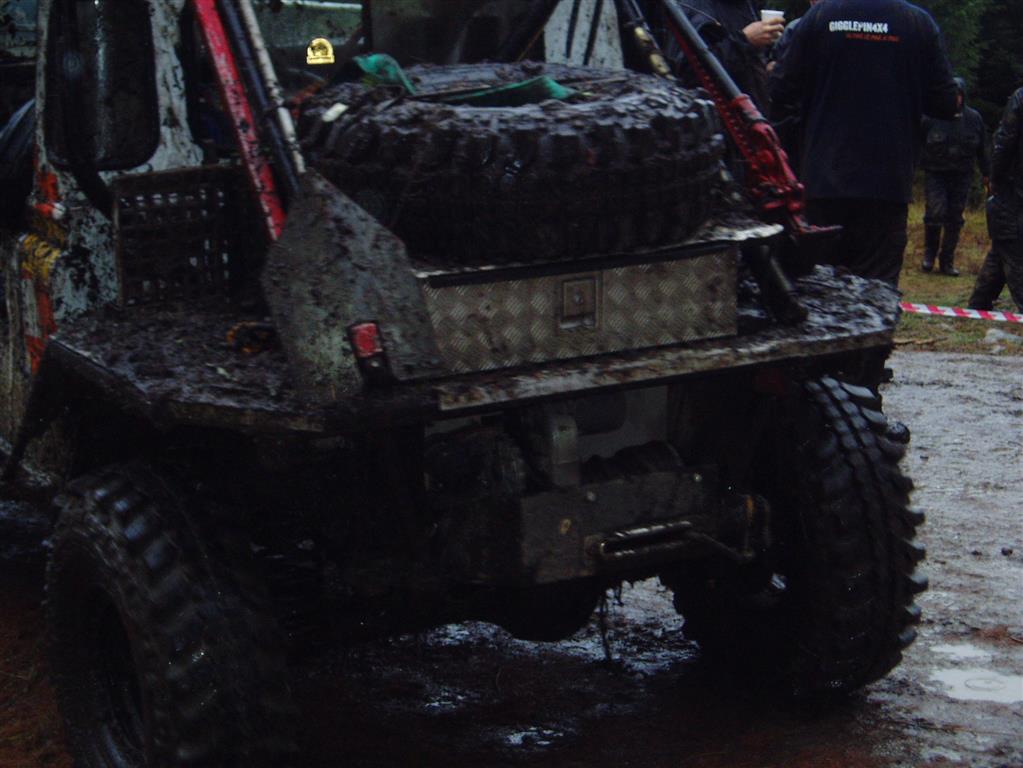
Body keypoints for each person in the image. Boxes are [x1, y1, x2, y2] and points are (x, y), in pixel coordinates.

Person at [770, 0, 958, 287]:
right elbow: (945, 103)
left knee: (819, 289)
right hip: (887, 184)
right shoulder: (917, 23)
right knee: (877, 291)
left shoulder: (821, 16)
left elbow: (781, 89)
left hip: (824, 181)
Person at [919, 78, 991, 276]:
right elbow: (917, 143)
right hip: (936, 173)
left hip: (962, 175)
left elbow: (982, 149)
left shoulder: (974, 119)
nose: (955, 99)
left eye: (958, 95)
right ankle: (929, 255)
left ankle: (947, 261)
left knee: (955, 218)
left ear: (963, 96)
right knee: (935, 213)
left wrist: (987, 174)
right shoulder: (931, 117)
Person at [664, 0, 785, 112]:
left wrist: (769, 66)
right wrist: (744, 41)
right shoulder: (693, 8)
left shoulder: (745, 5)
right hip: (715, 117)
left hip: (750, 115)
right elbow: (689, 75)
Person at [967, 87, 1023, 312]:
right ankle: (978, 305)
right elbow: (1004, 142)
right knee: (1010, 245)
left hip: (1012, 190)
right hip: (1013, 191)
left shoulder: (1019, 98)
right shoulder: (1020, 99)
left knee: (1006, 245)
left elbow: (1004, 141)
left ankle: (978, 305)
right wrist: (996, 177)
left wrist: (995, 177)